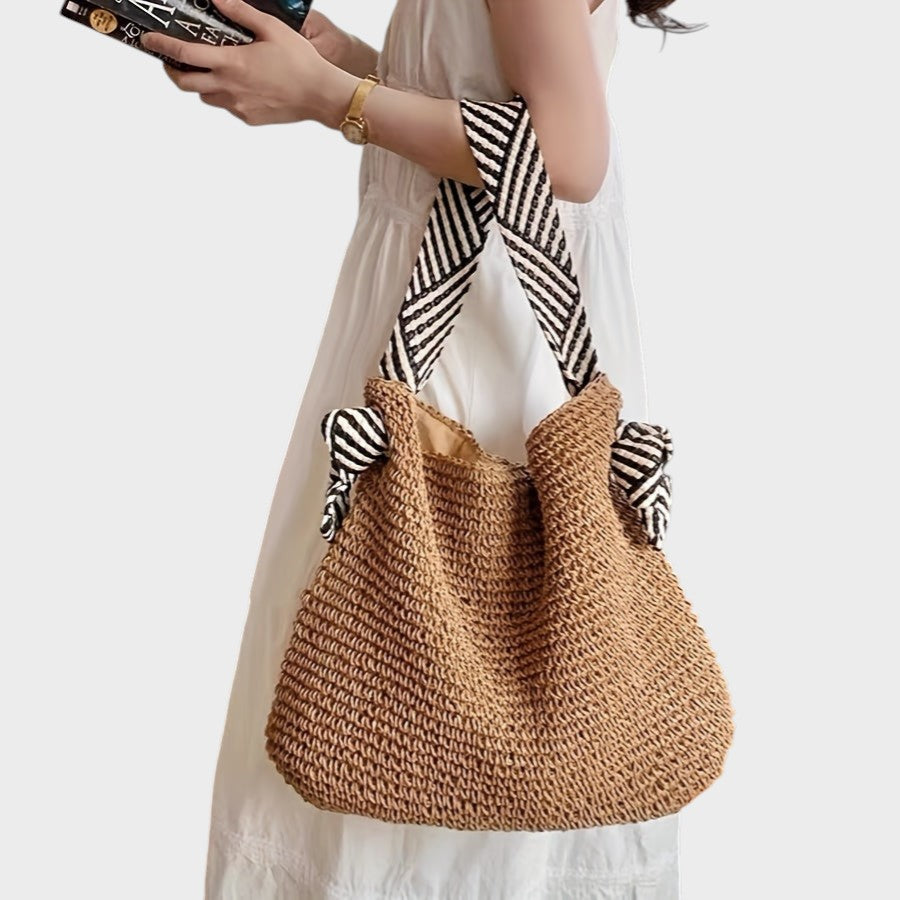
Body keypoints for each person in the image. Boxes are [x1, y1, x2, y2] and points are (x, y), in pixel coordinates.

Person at [141, 0, 700, 895]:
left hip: (478, 349)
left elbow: (565, 155)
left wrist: (335, 99)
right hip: (479, 320)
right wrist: (348, 66)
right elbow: (498, 92)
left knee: (404, 688)